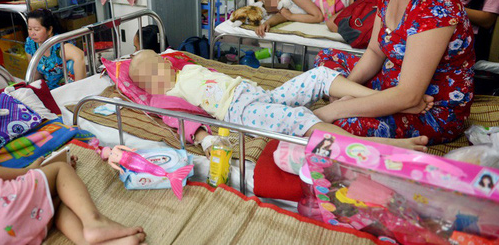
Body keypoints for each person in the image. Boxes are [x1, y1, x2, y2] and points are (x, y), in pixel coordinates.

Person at [314, 0, 475, 145]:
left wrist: (333, 111)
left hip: (430, 106)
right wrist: (345, 94)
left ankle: (377, 110)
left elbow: (409, 93)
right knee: (325, 62)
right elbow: (374, 51)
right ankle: (375, 98)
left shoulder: (436, 7)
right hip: (395, 82)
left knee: (342, 123)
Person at [0, 102, 146, 244]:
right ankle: (94, 222)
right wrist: (27, 171)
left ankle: (88, 240)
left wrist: (33, 173)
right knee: (60, 169)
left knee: (50, 201)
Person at [128, 50, 431, 152]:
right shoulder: (164, 97)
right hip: (241, 113)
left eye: (155, 66)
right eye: (143, 79)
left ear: (167, 63)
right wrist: (205, 138)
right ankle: (379, 148)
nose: (152, 77)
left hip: (258, 94)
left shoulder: (187, 69)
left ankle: (388, 99)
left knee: (319, 75)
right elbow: (180, 120)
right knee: (301, 120)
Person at [25, 9, 86, 89]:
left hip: (67, 88)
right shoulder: (31, 43)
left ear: (49, 30)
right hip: (49, 88)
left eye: (36, 29)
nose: (32, 33)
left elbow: (80, 57)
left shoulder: (59, 45)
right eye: (29, 29)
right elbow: (35, 72)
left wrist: (79, 89)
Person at [254, 0, 324, 37]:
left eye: (264, 0)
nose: (266, 5)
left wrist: (291, 16)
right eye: (263, 5)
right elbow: (279, 17)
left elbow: (318, 17)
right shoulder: (284, 10)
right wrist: (266, 24)